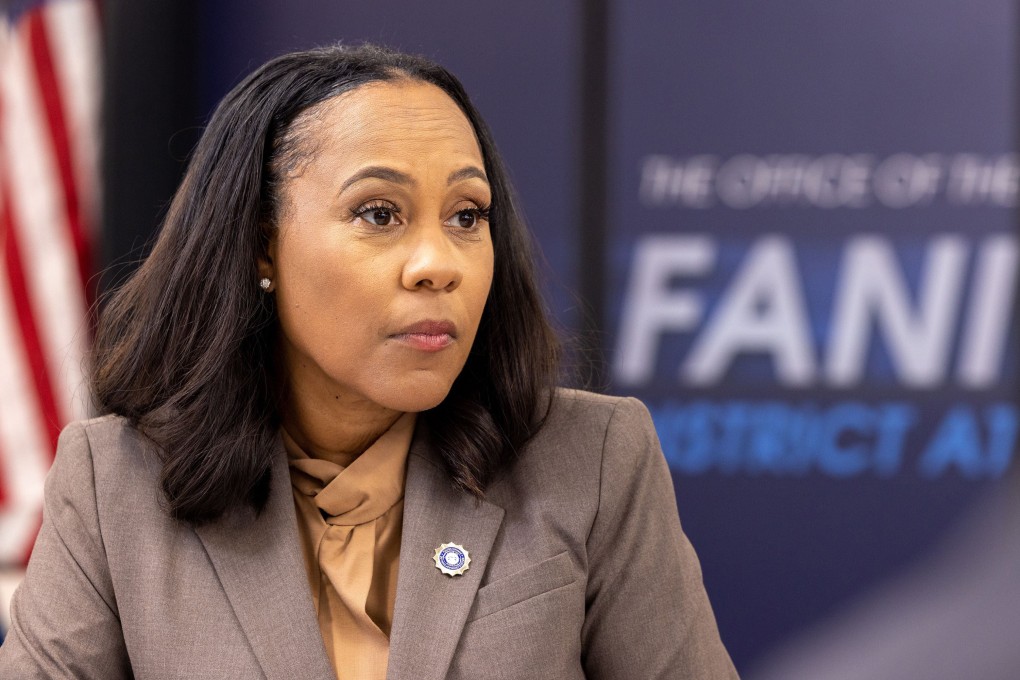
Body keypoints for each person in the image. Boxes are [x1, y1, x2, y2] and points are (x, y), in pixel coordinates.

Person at [0, 44, 737, 679]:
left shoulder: (595, 459)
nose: (437, 264)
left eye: (466, 216)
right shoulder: (112, 483)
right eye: (379, 214)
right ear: (261, 246)